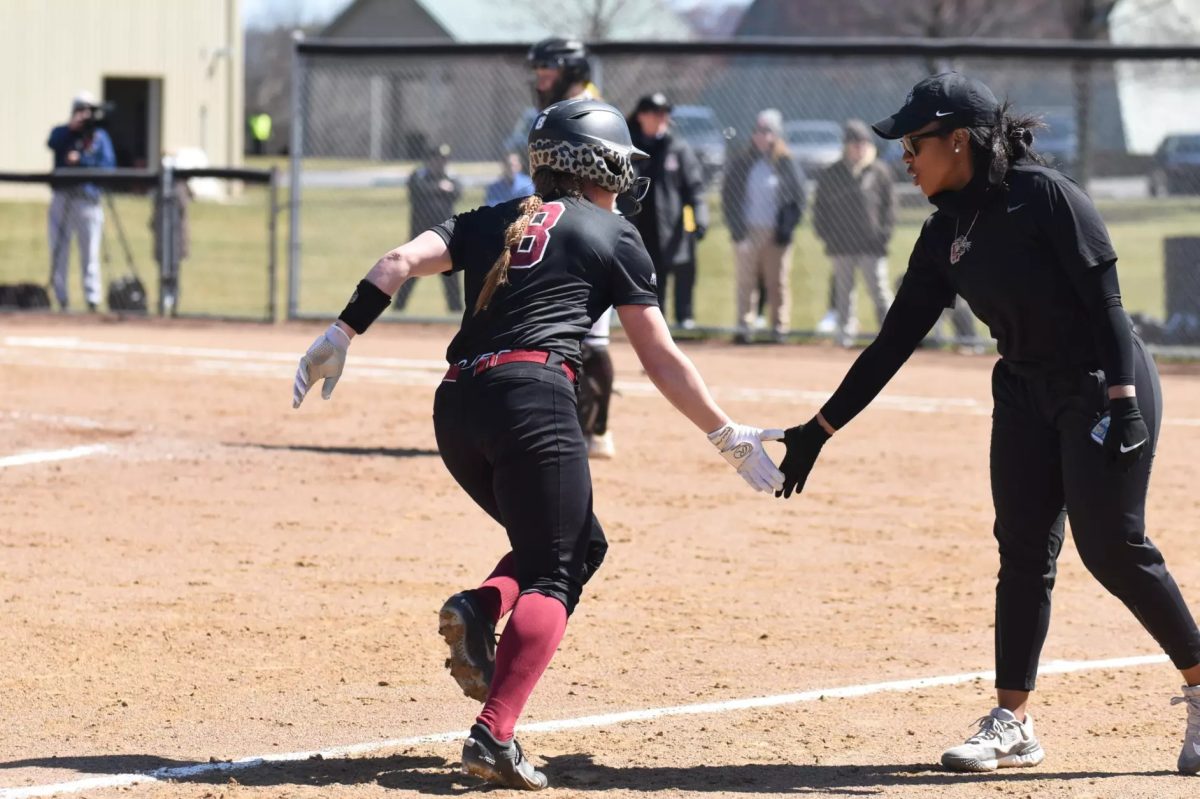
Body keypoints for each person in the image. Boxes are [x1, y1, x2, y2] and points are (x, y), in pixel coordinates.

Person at [291, 99, 784, 790]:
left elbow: (397, 260)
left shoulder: (495, 216)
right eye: (618, 163)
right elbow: (661, 359)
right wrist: (724, 432)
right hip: (532, 400)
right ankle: (494, 735)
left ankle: (481, 606)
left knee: (578, 543)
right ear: (597, 163)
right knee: (555, 571)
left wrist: (340, 334)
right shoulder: (612, 231)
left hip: (457, 407)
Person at [771, 72, 1200, 776]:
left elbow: (1109, 306)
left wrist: (1123, 400)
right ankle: (1014, 722)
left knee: (1111, 546)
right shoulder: (946, 231)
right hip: (1026, 388)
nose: (903, 158)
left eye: (914, 142)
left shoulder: (1043, 195)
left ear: (959, 141)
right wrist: (818, 429)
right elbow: (892, 342)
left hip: (1100, 380)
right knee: (1023, 550)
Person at [527, 36, 617, 458]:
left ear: (572, 70)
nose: (541, 79)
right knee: (564, 331)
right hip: (560, 222)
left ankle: (596, 431)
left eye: (549, 70)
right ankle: (569, 425)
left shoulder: (593, 111)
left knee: (592, 336)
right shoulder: (556, 111)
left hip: (593, 226)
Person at [722, 108, 805, 344]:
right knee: (745, 281)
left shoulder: (786, 163)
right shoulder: (742, 162)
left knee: (776, 283)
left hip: (776, 234)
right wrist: (738, 232)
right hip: (748, 230)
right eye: (758, 131)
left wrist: (785, 230)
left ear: (777, 135)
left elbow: (798, 199)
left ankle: (779, 328)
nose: (762, 136)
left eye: (768, 131)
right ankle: (744, 327)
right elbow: (729, 197)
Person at [628, 92, 709, 329]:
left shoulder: (677, 148)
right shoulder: (631, 148)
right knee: (651, 283)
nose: (662, 118)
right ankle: (655, 329)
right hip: (640, 228)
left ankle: (685, 320)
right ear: (642, 116)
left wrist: (700, 219)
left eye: (665, 114)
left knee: (683, 271)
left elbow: (695, 188)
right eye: (656, 113)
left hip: (674, 227)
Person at [813, 119, 895, 347]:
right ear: (846, 146)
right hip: (841, 244)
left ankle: (893, 336)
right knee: (844, 293)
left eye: (862, 143)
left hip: (872, 245)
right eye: (853, 143)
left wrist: (883, 235)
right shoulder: (833, 173)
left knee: (879, 291)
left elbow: (890, 208)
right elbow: (820, 208)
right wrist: (827, 236)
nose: (858, 147)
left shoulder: (878, 171)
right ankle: (845, 336)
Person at [46, 90, 116, 312]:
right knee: (59, 250)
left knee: (90, 253)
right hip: (63, 196)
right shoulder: (63, 132)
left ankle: (92, 300)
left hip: (88, 199)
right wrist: (71, 129)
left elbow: (108, 166)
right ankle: (61, 299)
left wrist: (83, 159)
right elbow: (52, 142)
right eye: (79, 110)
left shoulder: (99, 137)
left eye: (87, 110)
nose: (84, 115)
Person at [394, 143, 464, 314]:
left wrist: (439, 189)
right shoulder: (418, 176)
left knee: (452, 280)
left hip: (446, 239)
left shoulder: (451, 177)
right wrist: (440, 188)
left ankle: (455, 314)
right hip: (419, 238)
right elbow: (417, 190)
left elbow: (457, 192)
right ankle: (397, 313)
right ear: (429, 160)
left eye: (443, 160)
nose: (440, 163)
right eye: (437, 159)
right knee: (408, 275)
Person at [150, 156, 192, 315]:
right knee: (162, 267)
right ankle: (163, 299)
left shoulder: (180, 188)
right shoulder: (159, 187)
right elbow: (154, 212)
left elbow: (182, 209)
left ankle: (173, 300)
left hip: (176, 234)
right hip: (162, 234)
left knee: (174, 268)